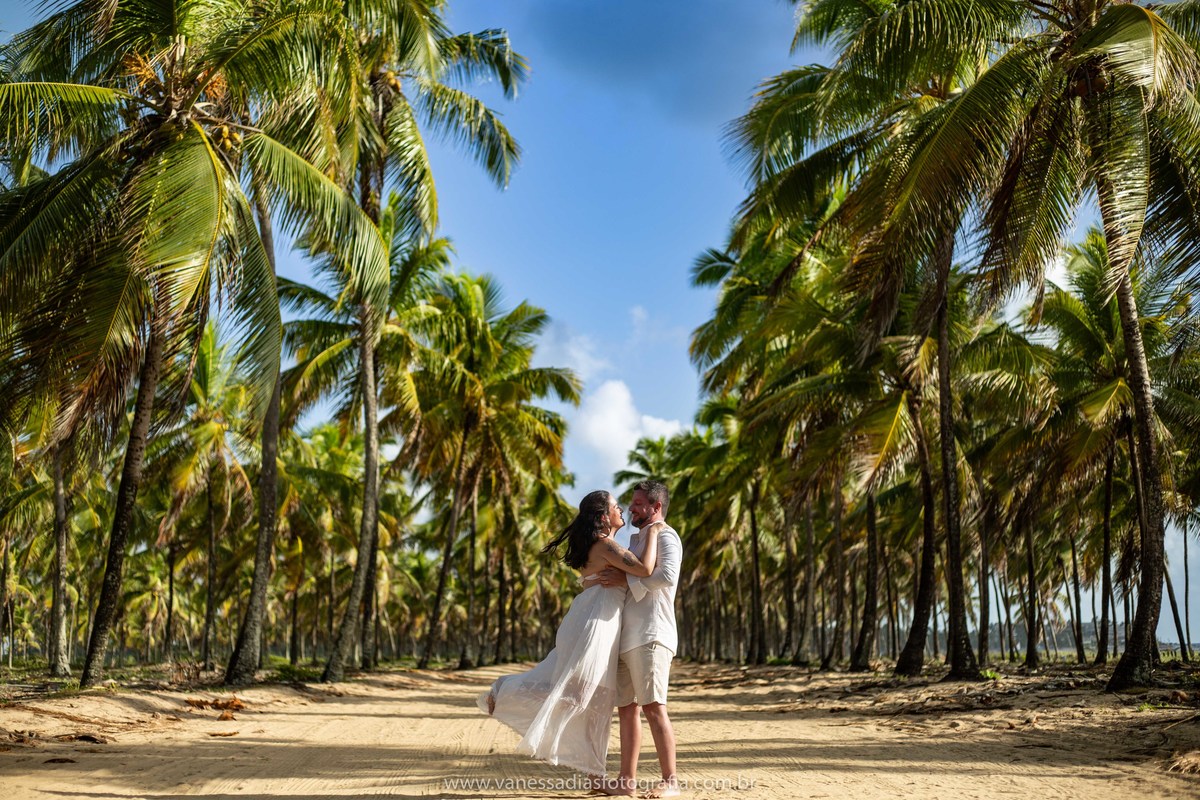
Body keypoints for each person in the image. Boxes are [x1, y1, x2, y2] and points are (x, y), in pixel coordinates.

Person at [478, 489, 665, 782]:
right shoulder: (604, 545)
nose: (622, 511)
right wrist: (654, 531)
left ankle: (594, 774)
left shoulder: (604, 546)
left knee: (593, 699)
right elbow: (644, 568)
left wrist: (624, 575)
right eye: (616, 507)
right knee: (582, 695)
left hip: (594, 618)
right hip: (595, 622)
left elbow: (632, 575)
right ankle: (506, 690)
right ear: (604, 517)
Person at [595, 480, 682, 798]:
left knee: (654, 707)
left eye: (638, 503)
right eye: (630, 503)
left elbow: (667, 576)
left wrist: (625, 578)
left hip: (652, 634)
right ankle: (625, 781)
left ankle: (670, 781)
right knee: (627, 709)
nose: (631, 508)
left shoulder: (666, 535)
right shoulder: (636, 539)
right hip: (627, 637)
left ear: (656, 507)